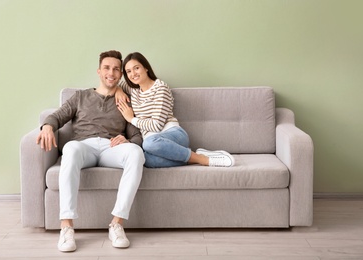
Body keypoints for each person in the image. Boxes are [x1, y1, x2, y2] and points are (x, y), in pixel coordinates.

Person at [36, 50, 145, 252]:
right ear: (99, 71)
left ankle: (117, 224)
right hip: (83, 146)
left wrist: (128, 140)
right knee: (69, 148)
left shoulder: (125, 100)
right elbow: (57, 116)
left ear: (120, 74)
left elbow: (137, 135)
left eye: (115, 69)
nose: (111, 73)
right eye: (106, 68)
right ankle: (66, 227)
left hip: (111, 148)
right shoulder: (80, 96)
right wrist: (48, 126)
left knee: (136, 153)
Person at [115, 52, 235, 168]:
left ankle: (204, 160)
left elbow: (156, 126)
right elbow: (117, 85)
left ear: (146, 68)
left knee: (149, 143)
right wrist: (119, 90)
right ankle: (193, 157)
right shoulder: (133, 89)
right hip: (156, 146)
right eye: (128, 71)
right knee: (145, 159)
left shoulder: (160, 88)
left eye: (136, 68)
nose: (133, 74)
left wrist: (131, 119)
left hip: (173, 136)